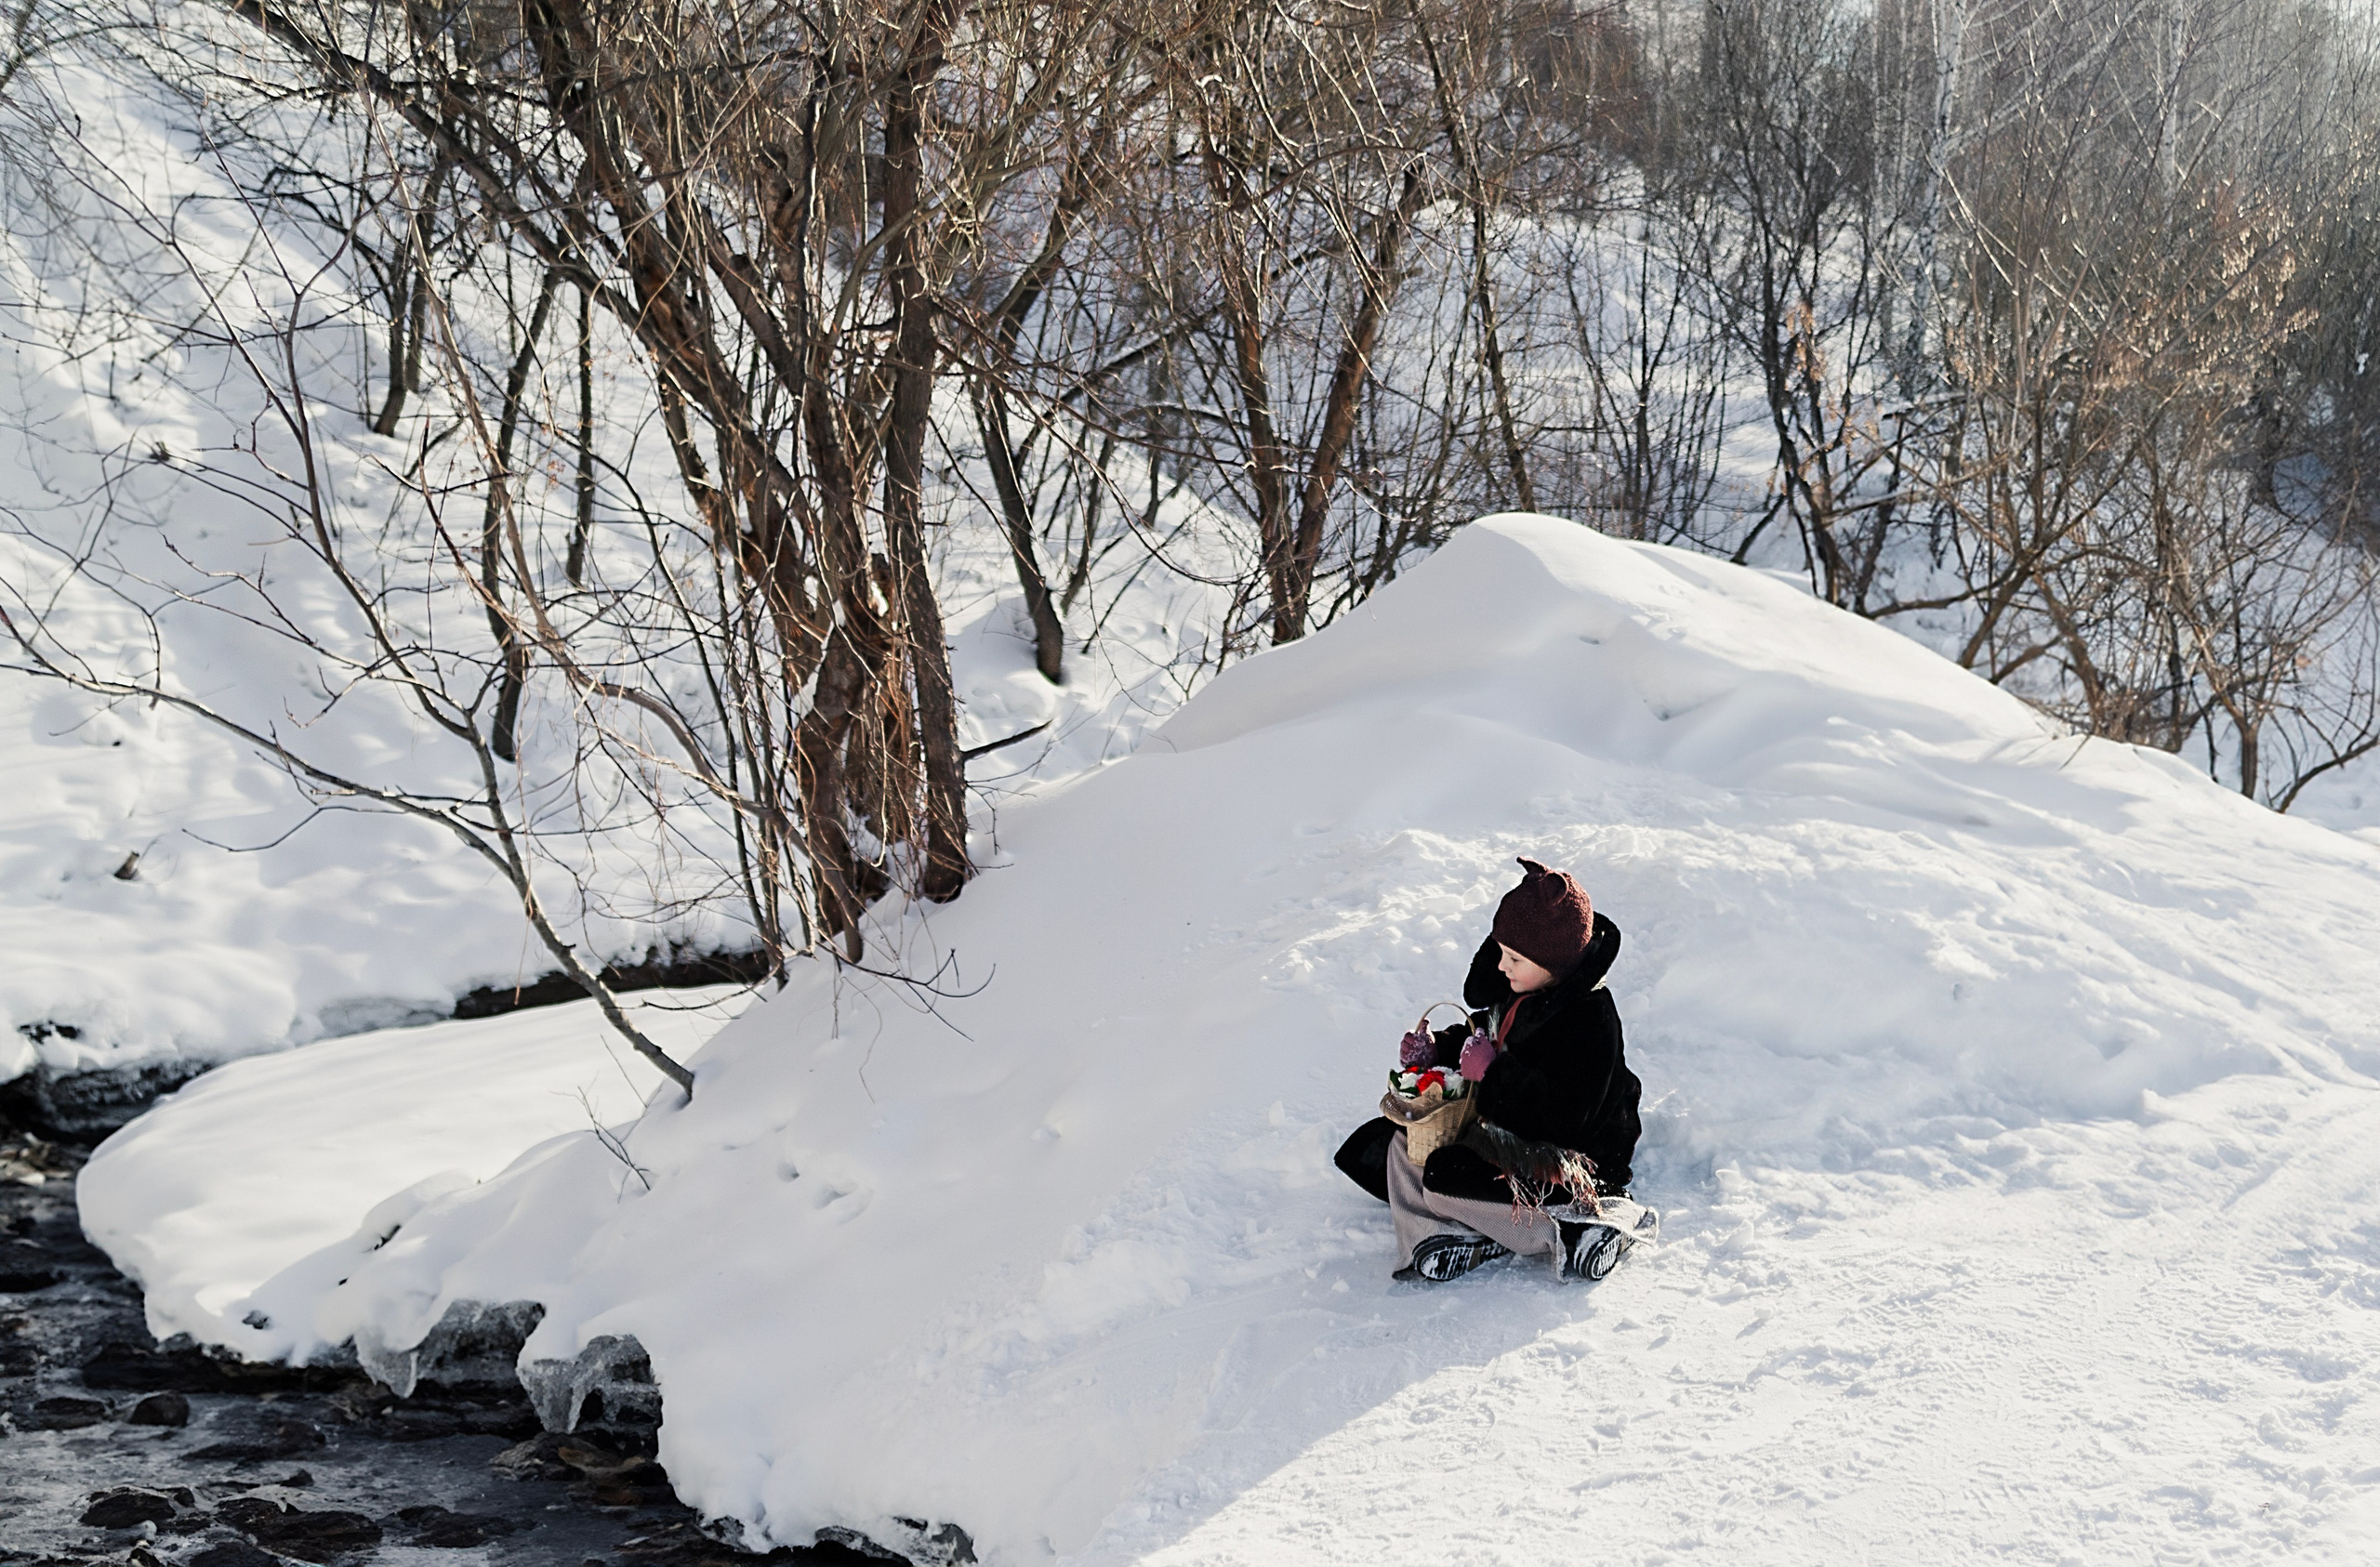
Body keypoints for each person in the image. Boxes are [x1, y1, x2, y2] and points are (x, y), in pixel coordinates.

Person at [1334, 857, 1653, 1283]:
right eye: (1501, 953)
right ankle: (1444, 1233)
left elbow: (1566, 1119)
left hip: (1572, 1156)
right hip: (1505, 1128)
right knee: (1401, 1141)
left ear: (1554, 964)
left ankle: (1578, 1227)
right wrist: (1438, 1050)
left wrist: (1493, 1074)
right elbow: (1486, 1036)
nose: (1502, 967)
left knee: (1447, 1175)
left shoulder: (1589, 1020)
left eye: (1514, 958)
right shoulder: (1523, 988)